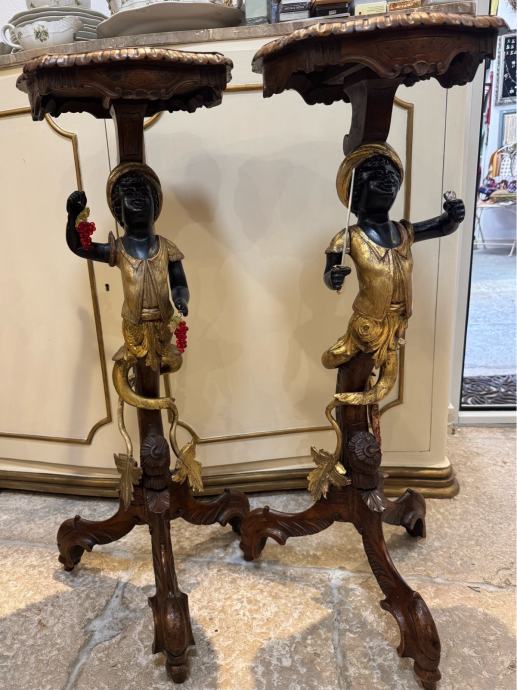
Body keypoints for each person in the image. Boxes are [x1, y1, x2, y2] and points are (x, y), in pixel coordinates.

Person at [66, 162, 189, 373]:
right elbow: (78, 247)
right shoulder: (118, 249)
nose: (138, 198)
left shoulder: (167, 248)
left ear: (155, 205)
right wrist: (73, 216)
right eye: (130, 195)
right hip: (134, 329)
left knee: (174, 362)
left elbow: (179, 284)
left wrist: (181, 299)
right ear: (119, 212)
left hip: (164, 326)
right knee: (131, 368)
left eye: (144, 194)